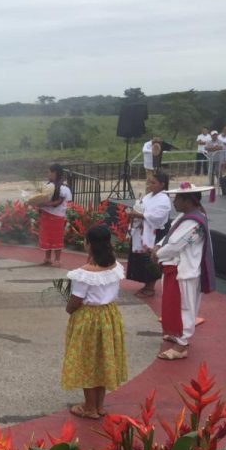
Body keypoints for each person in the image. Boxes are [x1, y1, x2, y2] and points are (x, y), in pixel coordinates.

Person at [62, 225, 126, 419]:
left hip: (89, 319)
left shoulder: (84, 273)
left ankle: (89, 407)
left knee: (87, 361)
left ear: (89, 245)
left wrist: (69, 309)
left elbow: (75, 301)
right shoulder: (115, 267)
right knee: (103, 359)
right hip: (109, 316)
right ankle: (99, 405)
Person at [153, 182, 216, 361]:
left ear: (188, 200)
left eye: (177, 198)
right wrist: (158, 245)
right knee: (174, 304)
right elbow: (169, 237)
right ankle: (175, 332)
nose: (174, 202)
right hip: (175, 267)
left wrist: (158, 253)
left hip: (186, 271)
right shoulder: (185, 216)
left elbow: (177, 245)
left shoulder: (194, 222)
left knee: (185, 307)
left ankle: (182, 345)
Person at [126, 172, 171, 298]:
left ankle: (150, 287)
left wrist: (139, 215)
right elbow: (141, 208)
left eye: (153, 183)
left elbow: (158, 218)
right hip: (142, 230)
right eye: (149, 182)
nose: (150, 185)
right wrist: (135, 212)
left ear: (162, 184)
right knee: (142, 259)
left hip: (155, 232)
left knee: (151, 258)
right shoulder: (149, 196)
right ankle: (146, 284)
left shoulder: (164, 199)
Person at [38, 164, 72, 266]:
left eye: (49, 172)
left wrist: (44, 204)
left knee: (57, 237)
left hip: (57, 217)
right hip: (46, 215)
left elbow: (58, 202)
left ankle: (57, 260)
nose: (48, 174)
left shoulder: (63, 188)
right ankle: (47, 258)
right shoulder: (47, 186)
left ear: (55, 173)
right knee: (47, 237)